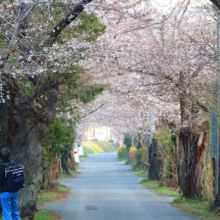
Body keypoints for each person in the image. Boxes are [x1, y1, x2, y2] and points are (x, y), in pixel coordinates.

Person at [0, 148, 21, 220]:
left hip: (5, 192)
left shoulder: (1, 166)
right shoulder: (14, 164)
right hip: (15, 191)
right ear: (9, 155)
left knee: (7, 213)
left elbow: (1, 180)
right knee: (15, 212)